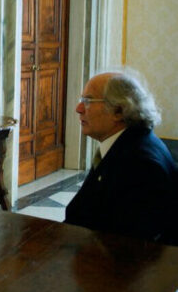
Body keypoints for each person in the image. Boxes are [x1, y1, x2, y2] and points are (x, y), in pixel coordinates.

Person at [65, 69, 178, 245]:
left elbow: (126, 246)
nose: (79, 109)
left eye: (87, 101)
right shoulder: (130, 142)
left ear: (119, 111)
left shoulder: (140, 164)